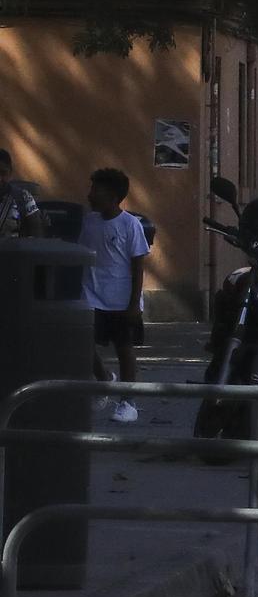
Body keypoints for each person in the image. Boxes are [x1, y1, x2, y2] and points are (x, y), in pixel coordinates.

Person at [80, 168, 150, 423]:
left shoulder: (130, 224)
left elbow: (138, 266)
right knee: (83, 343)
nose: (89, 195)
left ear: (112, 196)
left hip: (121, 300)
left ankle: (127, 401)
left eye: (94, 190)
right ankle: (103, 380)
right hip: (91, 295)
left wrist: (134, 303)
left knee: (124, 349)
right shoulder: (89, 221)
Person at [0, 148, 48, 238]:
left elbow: (37, 235)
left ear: (10, 172)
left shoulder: (24, 197)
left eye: (3, 173)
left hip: (14, 250)